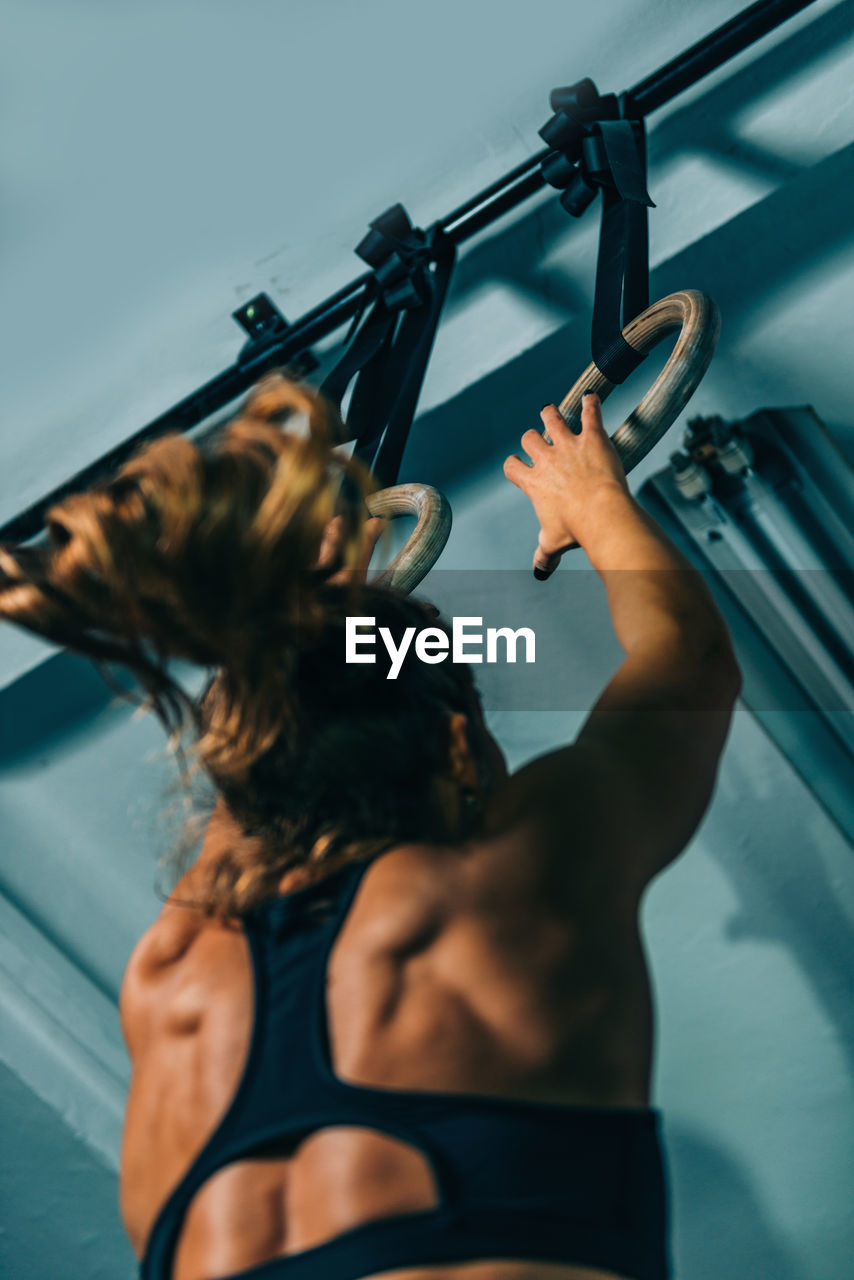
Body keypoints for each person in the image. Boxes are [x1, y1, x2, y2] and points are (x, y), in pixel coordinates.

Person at [0, 374, 741, 1280]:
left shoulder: (171, 978)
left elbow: (264, 764)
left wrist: (313, 627)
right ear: (462, 750)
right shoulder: (506, 884)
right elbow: (686, 656)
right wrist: (591, 498)